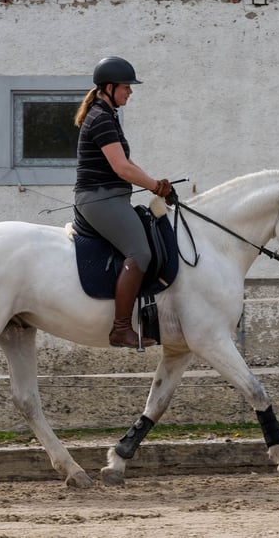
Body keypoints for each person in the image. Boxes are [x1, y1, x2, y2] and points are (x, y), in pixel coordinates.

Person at [73, 56, 172, 348]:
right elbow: (121, 169)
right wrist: (155, 186)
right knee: (140, 253)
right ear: (109, 87)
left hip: (110, 195)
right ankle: (120, 328)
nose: (130, 92)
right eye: (126, 87)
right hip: (99, 197)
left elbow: (129, 163)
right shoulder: (100, 118)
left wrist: (157, 185)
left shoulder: (107, 116)